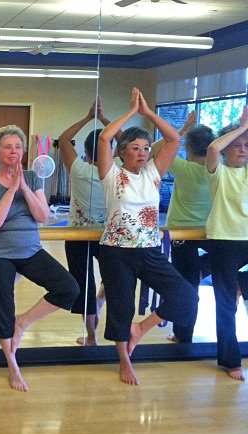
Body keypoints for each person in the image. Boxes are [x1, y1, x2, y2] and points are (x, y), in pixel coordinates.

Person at [97, 87, 198, 386]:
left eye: (145, 148)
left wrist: (149, 113)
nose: (141, 153)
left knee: (186, 296)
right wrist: (130, 113)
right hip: (117, 251)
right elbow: (105, 138)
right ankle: (124, 360)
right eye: (135, 148)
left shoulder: (154, 173)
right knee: (120, 307)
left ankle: (141, 330)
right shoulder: (112, 174)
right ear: (122, 152)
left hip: (150, 250)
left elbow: (174, 139)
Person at [0, 125, 80, 392]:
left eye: (18, 147)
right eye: (8, 147)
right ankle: (12, 365)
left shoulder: (34, 179)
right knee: (2, 314)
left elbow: (43, 216)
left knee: (68, 288)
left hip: (31, 251)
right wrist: (11, 190)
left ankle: (23, 322)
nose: (14, 151)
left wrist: (23, 186)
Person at [59, 97, 118, 346]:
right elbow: (125, 140)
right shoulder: (116, 171)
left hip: (79, 237)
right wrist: (105, 120)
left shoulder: (79, 169)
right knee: (113, 280)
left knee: (84, 288)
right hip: (108, 236)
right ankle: (101, 301)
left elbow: (63, 140)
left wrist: (88, 117)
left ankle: (92, 338)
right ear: (111, 150)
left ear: (85, 152)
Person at [152, 111, 215, 343]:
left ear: (188, 148)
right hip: (207, 233)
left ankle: (182, 335)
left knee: (189, 286)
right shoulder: (215, 171)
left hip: (181, 234)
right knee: (195, 276)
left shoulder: (184, 168)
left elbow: (156, 148)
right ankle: (202, 269)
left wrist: (180, 131)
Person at [204, 105, 248, 381]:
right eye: (237, 146)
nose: (243, 150)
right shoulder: (218, 173)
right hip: (224, 241)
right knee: (226, 303)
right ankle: (231, 361)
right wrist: (241, 127)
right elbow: (211, 150)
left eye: (247, 146)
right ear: (227, 148)